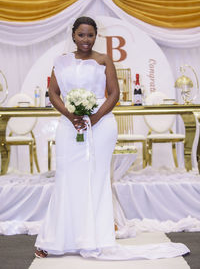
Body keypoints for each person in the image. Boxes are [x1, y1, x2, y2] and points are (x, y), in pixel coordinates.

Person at [35, 16, 189, 260]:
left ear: (96, 36)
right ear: (73, 35)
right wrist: (69, 114)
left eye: (91, 35)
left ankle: (95, 238)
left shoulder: (104, 60)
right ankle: (55, 239)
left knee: (96, 179)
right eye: (81, 35)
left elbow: (114, 93)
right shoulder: (60, 62)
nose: (86, 39)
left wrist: (94, 118)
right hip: (69, 125)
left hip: (102, 123)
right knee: (66, 178)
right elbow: (53, 93)